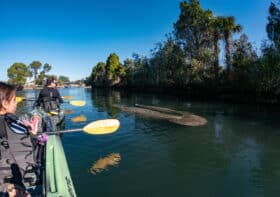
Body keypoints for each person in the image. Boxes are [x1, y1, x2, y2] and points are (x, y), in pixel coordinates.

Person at [0, 82, 38, 197]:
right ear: (5, 103)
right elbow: (27, 138)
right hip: (17, 176)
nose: (16, 103)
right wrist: (33, 133)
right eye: (14, 100)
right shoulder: (13, 123)